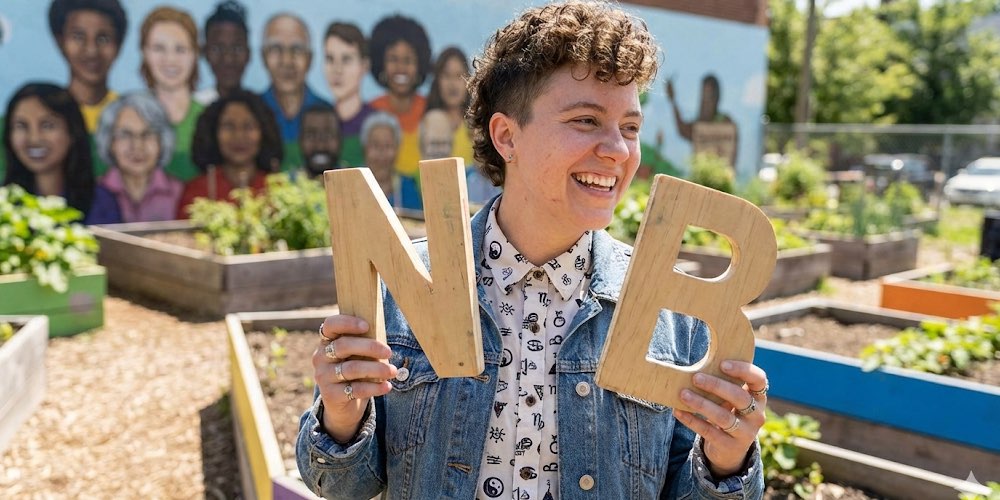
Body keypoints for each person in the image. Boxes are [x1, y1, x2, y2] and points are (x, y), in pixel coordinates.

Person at [296, 2, 768, 499]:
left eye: (630, 127)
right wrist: (342, 416)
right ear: (506, 136)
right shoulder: (397, 283)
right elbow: (344, 485)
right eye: (586, 120)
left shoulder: (678, 313)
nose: (618, 150)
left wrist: (725, 459)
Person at [3, 83, 119, 224]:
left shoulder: (100, 202)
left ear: (72, 132)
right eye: (21, 126)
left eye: (47, 125)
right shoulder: (4, 203)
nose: (34, 139)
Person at [177, 90, 281, 218]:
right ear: (213, 133)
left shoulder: (277, 190)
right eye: (228, 126)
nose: (239, 136)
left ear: (264, 132)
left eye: (248, 126)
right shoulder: (197, 191)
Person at [368, 15, 431, 211]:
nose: (400, 68)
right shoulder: (370, 113)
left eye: (408, 60)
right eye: (393, 59)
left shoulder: (430, 112)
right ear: (381, 63)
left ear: (419, 64)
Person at [94, 92, 183, 222]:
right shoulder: (93, 194)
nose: (137, 146)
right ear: (109, 142)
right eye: (125, 135)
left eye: (147, 134)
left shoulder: (180, 192)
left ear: (163, 141)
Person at [259, 13, 331, 172]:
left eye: (297, 49)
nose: (287, 61)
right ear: (263, 57)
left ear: (310, 59)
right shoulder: (252, 115)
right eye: (276, 49)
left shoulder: (328, 115)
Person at [139, 7, 204, 182]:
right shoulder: (130, 116)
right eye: (159, 48)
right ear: (144, 53)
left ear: (195, 54)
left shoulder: (209, 119)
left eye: (180, 49)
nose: (170, 60)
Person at [48, 0, 127, 134]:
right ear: (60, 42)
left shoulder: (131, 115)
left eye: (103, 39)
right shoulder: (46, 113)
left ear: (118, 46)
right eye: (78, 37)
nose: (91, 51)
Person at [322, 22, 374, 167]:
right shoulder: (318, 121)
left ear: (364, 66)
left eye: (346, 59)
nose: (337, 70)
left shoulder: (376, 124)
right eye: (329, 59)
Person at [666, 74, 738, 168]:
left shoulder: (726, 122)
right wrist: (673, 101)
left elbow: (733, 153)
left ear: (716, 97)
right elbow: (683, 130)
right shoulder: (699, 124)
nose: (706, 101)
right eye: (704, 96)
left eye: (710, 96)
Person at [425, 46, 474, 167]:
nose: (452, 84)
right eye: (446, 75)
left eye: (458, 76)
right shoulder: (426, 122)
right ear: (437, 81)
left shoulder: (477, 126)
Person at [196, 0, 250, 105]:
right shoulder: (194, 109)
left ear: (249, 54)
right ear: (205, 53)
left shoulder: (260, 109)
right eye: (217, 49)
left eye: (237, 48)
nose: (228, 59)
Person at [359, 111, 399, 204]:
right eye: (375, 145)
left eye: (388, 145)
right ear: (364, 149)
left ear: (397, 150)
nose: (382, 152)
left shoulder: (408, 188)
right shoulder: (352, 186)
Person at [298, 104, 342, 179]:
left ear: (340, 140)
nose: (320, 146)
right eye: (311, 136)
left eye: (328, 135)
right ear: (300, 140)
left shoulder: (356, 184)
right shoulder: (284, 186)